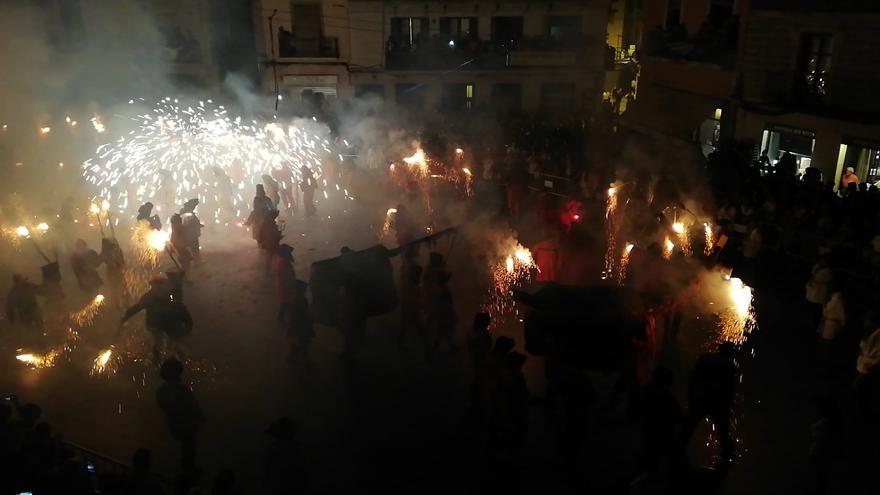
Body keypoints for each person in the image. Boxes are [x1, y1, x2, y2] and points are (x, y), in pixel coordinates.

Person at [678, 342, 738, 465]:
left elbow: (694, 376)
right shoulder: (730, 366)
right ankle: (728, 455)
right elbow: (730, 388)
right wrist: (729, 404)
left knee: (689, 426)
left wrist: (692, 394)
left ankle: (678, 448)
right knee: (723, 430)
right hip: (718, 402)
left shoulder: (706, 359)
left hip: (701, 398)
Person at [122, 275, 192, 362]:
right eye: (157, 284)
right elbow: (137, 307)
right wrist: (125, 317)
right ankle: (157, 359)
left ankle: (175, 356)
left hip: (167, 322)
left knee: (173, 341)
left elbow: (178, 306)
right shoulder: (148, 297)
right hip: (154, 323)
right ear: (152, 285)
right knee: (158, 342)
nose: (159, 286)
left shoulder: (169, 294)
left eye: (161, 284)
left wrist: (186, 319)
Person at [156, 358, 204, 474]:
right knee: (186, 460)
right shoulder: (181, 390)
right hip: (184, 431)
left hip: (171, 430)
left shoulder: (162, 390)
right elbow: (195, 409)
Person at [637, 366, 681, 473]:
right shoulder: (668, 399)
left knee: (652, 454)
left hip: (648, 431)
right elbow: (678, 417)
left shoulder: (644, 391)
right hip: (663, 434)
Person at [264, 417, 308, 494]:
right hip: (296, 487)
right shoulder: (297, 447)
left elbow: (269, 470)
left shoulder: (274, 448)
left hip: (282, 487)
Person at [397, 249, 423, 349]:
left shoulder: (406, 269)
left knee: (409, 325)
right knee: (414, 325)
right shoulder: (406, 270)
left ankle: (401, 341)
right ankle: (428, 349)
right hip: (409, 302)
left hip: (410, 302)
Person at [337, 278, 366, 363]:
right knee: (350, 339)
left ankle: (346, 355)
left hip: (348, 318)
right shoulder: (349, 293)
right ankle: (346, 356)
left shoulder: (343, 291)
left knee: (348, 339)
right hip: (350, 319)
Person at [286, 280, 314, 361]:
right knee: (302, 345)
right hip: (300, 328)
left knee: (296, 345)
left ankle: (292, 358)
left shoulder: (296, 299)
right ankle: (305, 361)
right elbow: (299, 315)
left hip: (298, 327)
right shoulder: (300, 300)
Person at [855, 326, 880, 416]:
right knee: (861, 389)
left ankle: (864, 411)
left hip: (871, 367)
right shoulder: (872, 332)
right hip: (865, 365)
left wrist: (872, 362)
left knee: (862, 388)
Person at [273, 244, 297, 328]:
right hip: (286, 289)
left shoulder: (282, 263)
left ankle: (281, 319)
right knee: (286, 304)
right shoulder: (284, 264)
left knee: (284, 304)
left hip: (284, 288)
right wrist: (292, 289)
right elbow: (288, 279)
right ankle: (282, 320)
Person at [100, 238, 127, 307]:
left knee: (118, 286)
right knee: (115, 287)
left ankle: (121, 301)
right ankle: (117, 302)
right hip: (114, 271)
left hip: (116, 271)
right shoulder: (109, 251)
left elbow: (121, 260)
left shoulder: (115, 250)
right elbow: (104, 259)